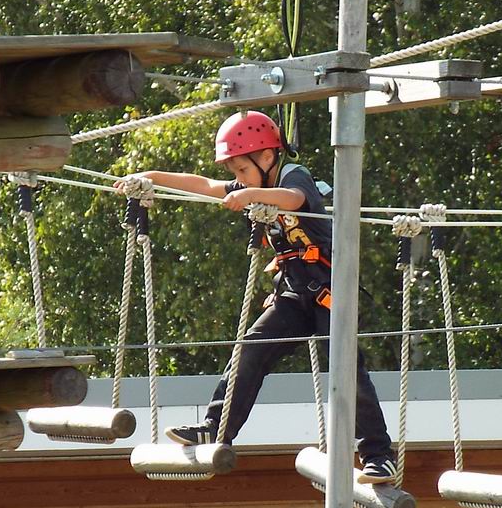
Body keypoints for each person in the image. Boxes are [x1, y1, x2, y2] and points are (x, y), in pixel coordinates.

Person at [119, 111, 397, 482]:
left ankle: (378, 454)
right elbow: (203, 185)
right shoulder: (251, 181)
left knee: (346, 369)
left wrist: (251, 194)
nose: (239, 179)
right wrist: (151, 176)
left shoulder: (292, 175)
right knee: (250, 350)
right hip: (294, 292)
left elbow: (294, 199)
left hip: (331, 290)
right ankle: (216, 428)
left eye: (242, 170)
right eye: (235, 172)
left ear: (267, 157)